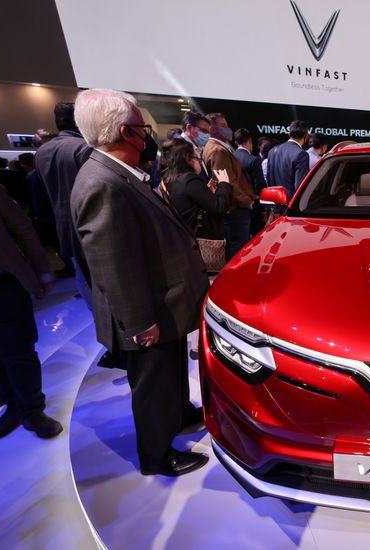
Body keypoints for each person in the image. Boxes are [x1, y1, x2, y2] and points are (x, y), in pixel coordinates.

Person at [71, 88, 210, 477]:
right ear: (123, 132)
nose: (147, 134)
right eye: (140, 127)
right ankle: (156, 455)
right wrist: (138, 323)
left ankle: (179, 415)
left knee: (169, 372)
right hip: (147, 310)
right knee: (151, 383)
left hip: (164, 301)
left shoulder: (120, 174)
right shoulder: (103, 182)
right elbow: (112, 263)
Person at [0, 180, 62, 440]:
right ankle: (12, 404)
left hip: (1, 285)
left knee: (18, 352)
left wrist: (43, 272)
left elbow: (21, 228)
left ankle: (32, 410)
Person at [33, 101, 94, 308]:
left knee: (84, 280)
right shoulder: (83, 149)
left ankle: (100, 325)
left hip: (63, 229)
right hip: (91, 227)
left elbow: (42, 198)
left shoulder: (42, 152)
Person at [202, 113, 257, 260]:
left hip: (231, 209)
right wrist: (247, 201)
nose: (229, 129)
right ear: (212, 129)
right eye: (224, 126)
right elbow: (226, 181)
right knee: (238, 252)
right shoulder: (217, 150)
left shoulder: (215, 148)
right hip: (235, 210)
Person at [161, 138, 232, 236]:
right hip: (200, 242)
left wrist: (205, 191)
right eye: (196, 158)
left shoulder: (167, 179)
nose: (198, 161)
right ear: (188, 159)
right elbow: (219, 207)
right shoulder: (189, 180)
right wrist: (224, 183)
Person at [234, 128, 267, 236]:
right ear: (249, 141)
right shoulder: (253, 160)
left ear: (236, 142)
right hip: (253, 207)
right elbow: (260, 186)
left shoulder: (231, 157)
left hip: (234, 204)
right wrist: (262, 209)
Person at [266, 120, 310, 197]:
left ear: (289, 134)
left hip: (273, 201)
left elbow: (269, 179)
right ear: (305, 136)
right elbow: (300, 187)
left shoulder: (272, 151)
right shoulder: (302, 154)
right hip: (289, 204)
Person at [180, 111, 211, 179]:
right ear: (189, 127)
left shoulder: (196, 148)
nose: (207, 135)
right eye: (203, 131)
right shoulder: (179, 148)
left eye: (209, 133)